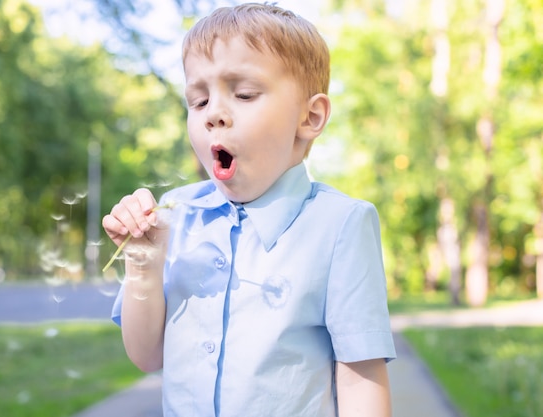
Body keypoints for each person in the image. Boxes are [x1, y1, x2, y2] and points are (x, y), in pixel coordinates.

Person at [102, 3, 396, 416]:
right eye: (199, 101)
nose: (214, 115)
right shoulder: (174, 216)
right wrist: (143, 264)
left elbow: (360, 378)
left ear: (309, 117)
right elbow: (147, 356)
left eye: (244, 94)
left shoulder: (340, 224)